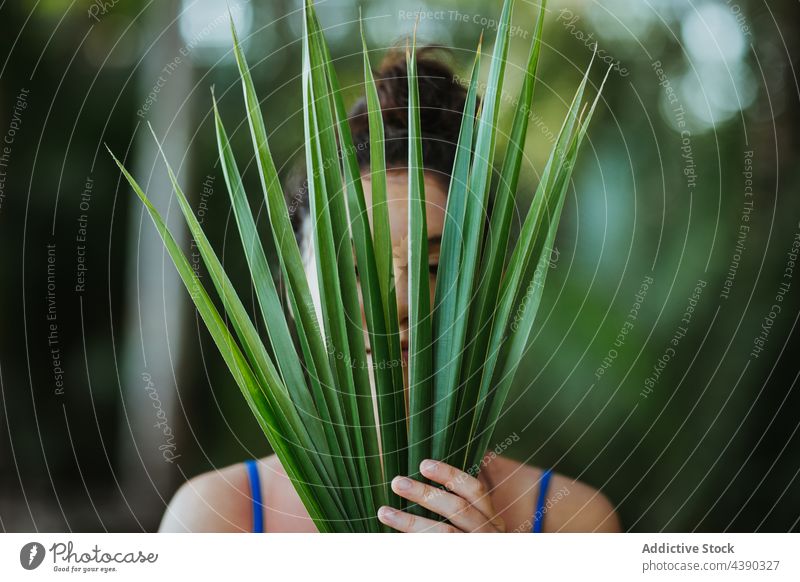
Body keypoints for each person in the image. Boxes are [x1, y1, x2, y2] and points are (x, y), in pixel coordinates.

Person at [159, 49, 621, 534]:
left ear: (491, 297)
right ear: (294, 295)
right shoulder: (213, 519)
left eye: (436, 265)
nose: (401, 301)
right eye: (356, 268)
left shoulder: (573, 520)